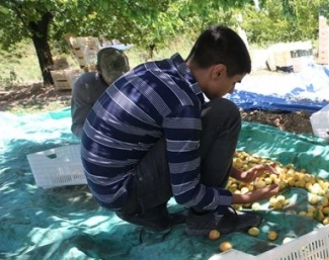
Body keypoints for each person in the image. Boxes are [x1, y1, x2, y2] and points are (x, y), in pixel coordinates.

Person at [81, 25, 279, 236]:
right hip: (123, 192)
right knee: (225, 113)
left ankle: (150, 211)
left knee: (199, 121)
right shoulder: (183, 104)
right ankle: (208, 218)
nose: (232, 90)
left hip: (106, 185)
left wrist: (240, 174)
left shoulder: (156, 70)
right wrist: (245, 198)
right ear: (218, 72)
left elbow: (183, 146)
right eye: (233, 82)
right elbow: (186, 193)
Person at [70, 47, 130, 137]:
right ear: (98, 69)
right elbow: (78, 125)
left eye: (122, 77)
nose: (118, 83)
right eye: (112, 79)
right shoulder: (84, 86)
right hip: (99, 134)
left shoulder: (133, 80)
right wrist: (96, 139)